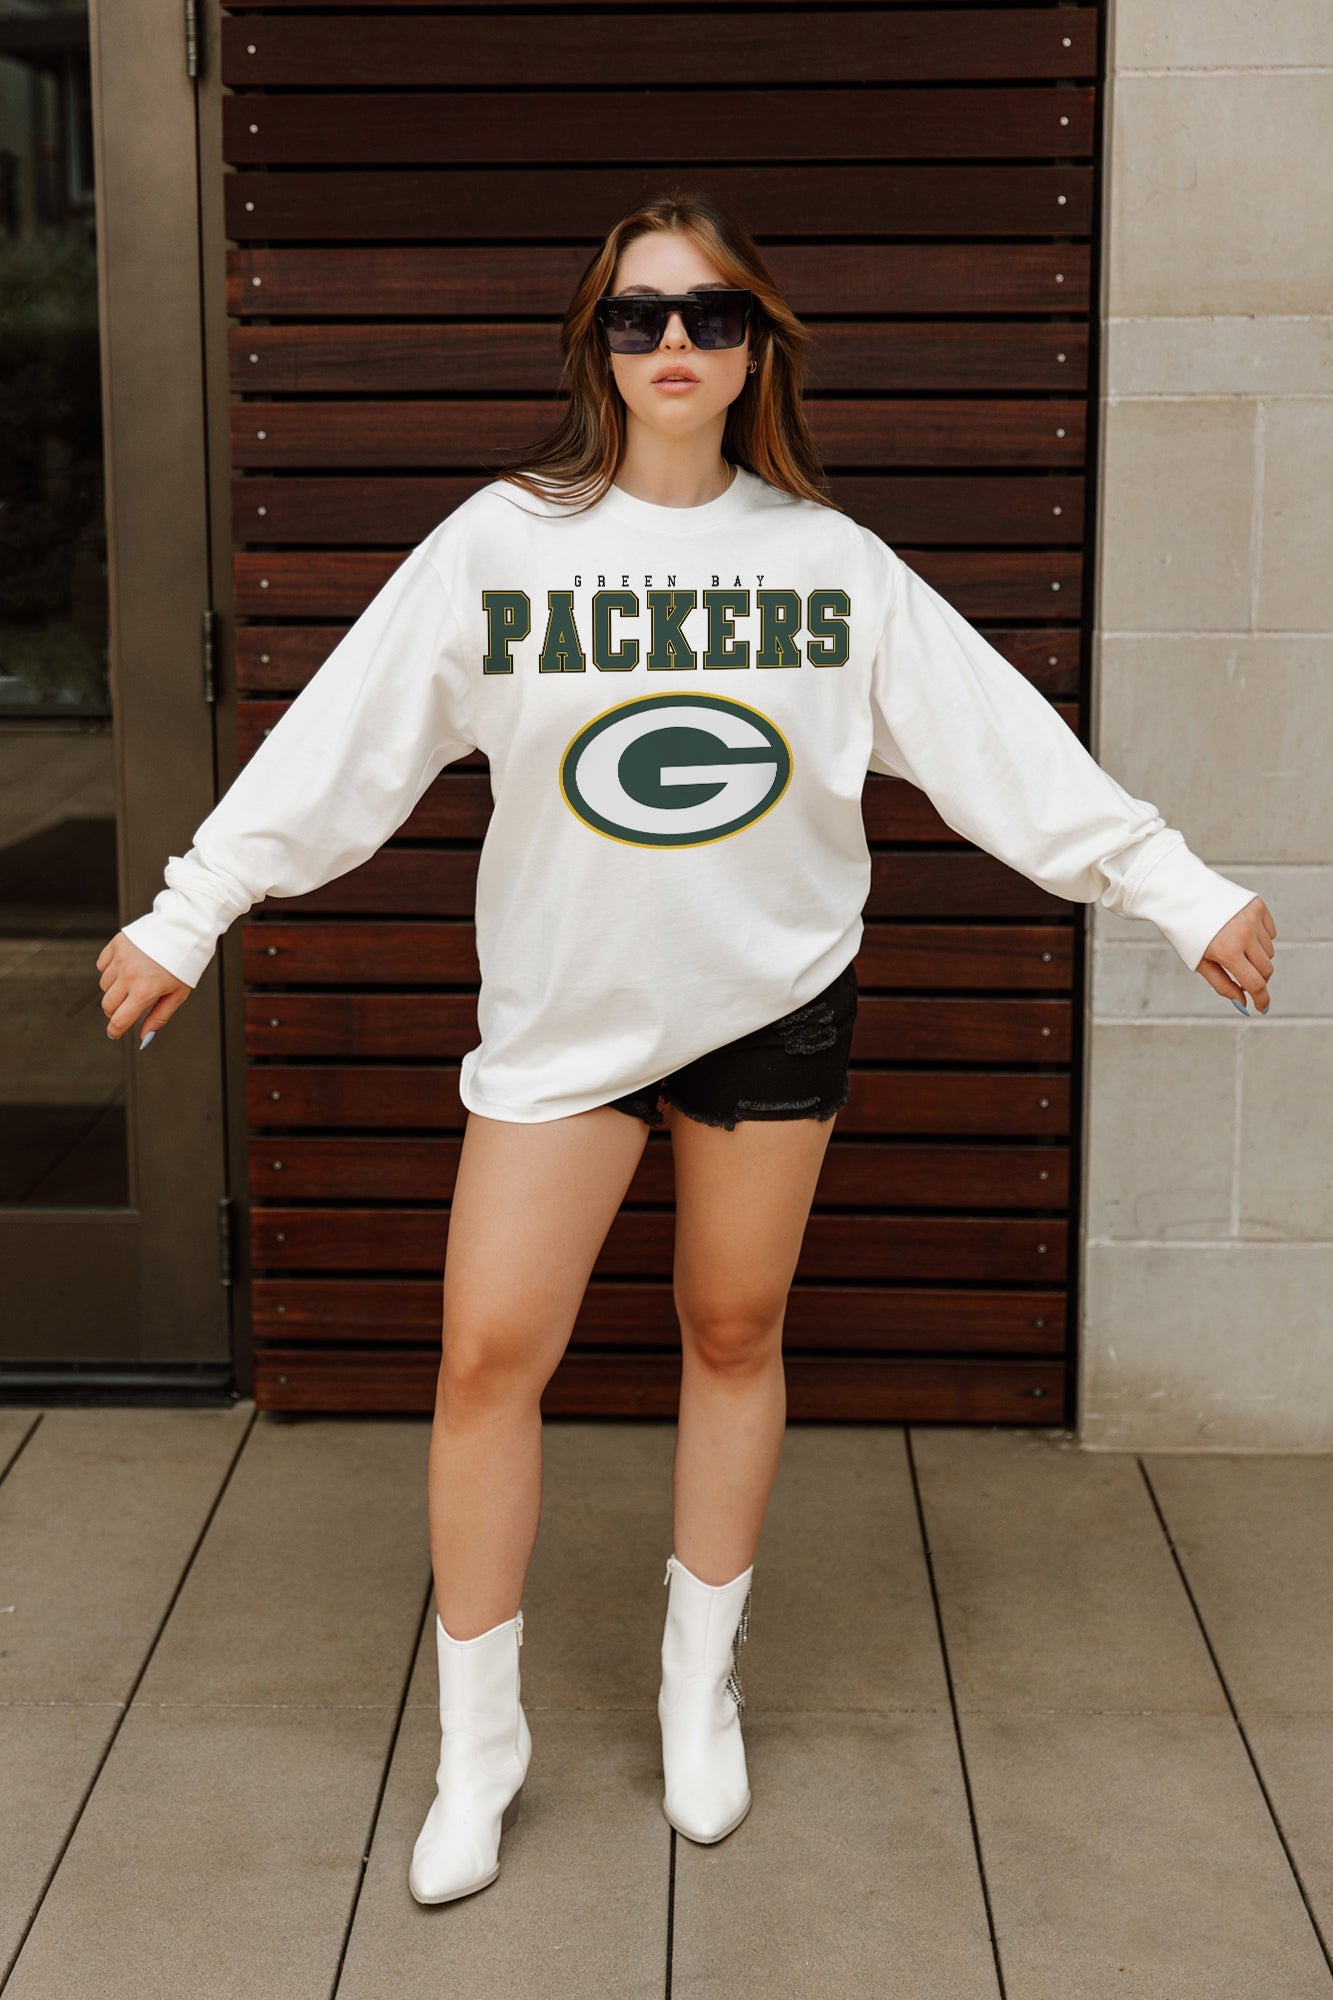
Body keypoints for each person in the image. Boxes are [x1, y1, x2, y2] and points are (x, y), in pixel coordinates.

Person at [96, 190, 1278, 1905]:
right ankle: (478, 1750)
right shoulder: (501, 543)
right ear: (595, 344)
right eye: (638, 315)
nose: (673, 343)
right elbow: (341, 744)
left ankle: (693, 1686)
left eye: (710, 317)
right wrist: (191, 909)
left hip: (768, 1001)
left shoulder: (828, 565)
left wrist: (1173, 887)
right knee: (487, 1358)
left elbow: (998, 750)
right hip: (566, 1018)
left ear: (754, 351)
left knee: (731, 1332)